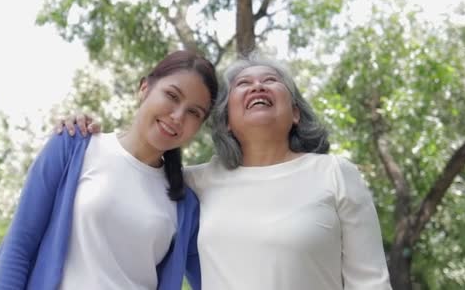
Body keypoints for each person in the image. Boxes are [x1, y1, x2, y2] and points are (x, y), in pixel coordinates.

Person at [63, 53, 392, 289]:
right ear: (226, 121)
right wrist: (88, 133)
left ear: (295, 113)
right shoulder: (195, 184)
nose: (258, 86)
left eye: (271, 81)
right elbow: (130, 167)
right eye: (244, 84)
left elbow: (371, 281)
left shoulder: (335, 173)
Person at [0, 50, 219, 290]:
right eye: (172, 96)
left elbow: (218, 280)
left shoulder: (186, 204)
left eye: (194, 112)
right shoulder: (74, 146)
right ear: (144, 88)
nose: (177, 116)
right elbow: (19, 246)